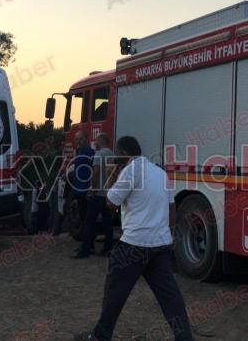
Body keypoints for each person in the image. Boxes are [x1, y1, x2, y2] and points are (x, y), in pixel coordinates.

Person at [75, 136, 193, 341]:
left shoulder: (130, 171)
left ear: (122, 154)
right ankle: (185, 337)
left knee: (115, 292)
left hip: (134, 245)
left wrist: (113, 174)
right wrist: (170, 234)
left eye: (116, 155)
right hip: (160, 245)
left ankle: (100, 336)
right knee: (170, 296)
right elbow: (171, 207)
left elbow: (111, 202)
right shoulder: (160, 172)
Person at [73, 133, 115, 259]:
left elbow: (95, 173)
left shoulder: (99, 154)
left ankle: (85, 250)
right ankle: (108, 248)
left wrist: (93, 189)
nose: (94, 143)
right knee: (108, 223)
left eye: (95, 141)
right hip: (108, 194)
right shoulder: (112, 155)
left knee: (89, 222)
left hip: (98, 194)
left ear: (99, 141)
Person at [66, 131, 94, 244]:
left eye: (80, 139)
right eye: (77, 139)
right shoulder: (78, 151)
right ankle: (83, 241)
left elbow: (93, 170)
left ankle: (87, 244)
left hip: (85, 188)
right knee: (80, 216)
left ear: (86, 139)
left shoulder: (90, 152)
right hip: (77, 187)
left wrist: (91, 187)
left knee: (86, 217)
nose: (78, 141)